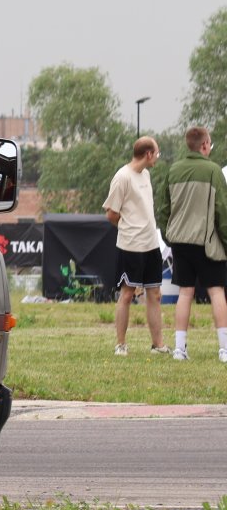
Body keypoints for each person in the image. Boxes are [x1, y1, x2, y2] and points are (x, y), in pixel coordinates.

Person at [155, 126, 227, 361]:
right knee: (216, 292)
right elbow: (222, 212)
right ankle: (224, 349)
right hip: (206, 242)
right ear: (205, 145)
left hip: (180, 243)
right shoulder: (214, 171)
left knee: (185, 293)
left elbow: (163, 209)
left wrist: (169, 237)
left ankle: (179, 349)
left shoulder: (173, 170)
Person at [103, 136, 167, 355]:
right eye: (156, 153)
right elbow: (111, 213)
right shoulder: (122, 177)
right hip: (130, 244)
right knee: (127, 294)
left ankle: (158, 345)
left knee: (155, 293)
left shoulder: (146, 175)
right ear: (148, 154)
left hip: (151, 244)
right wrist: (129, 226)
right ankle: (120, 344)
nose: (157, 157)